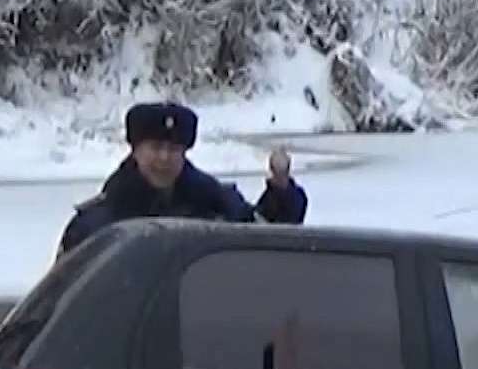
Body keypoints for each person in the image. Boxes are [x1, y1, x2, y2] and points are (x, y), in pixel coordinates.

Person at [57, 102, 308, 255]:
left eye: (174, 149)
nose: (164, 158)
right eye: (155, 148)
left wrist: (281, 189)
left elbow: (269, 235)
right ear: (135, 150)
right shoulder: (99, 223)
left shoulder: (214, 204)